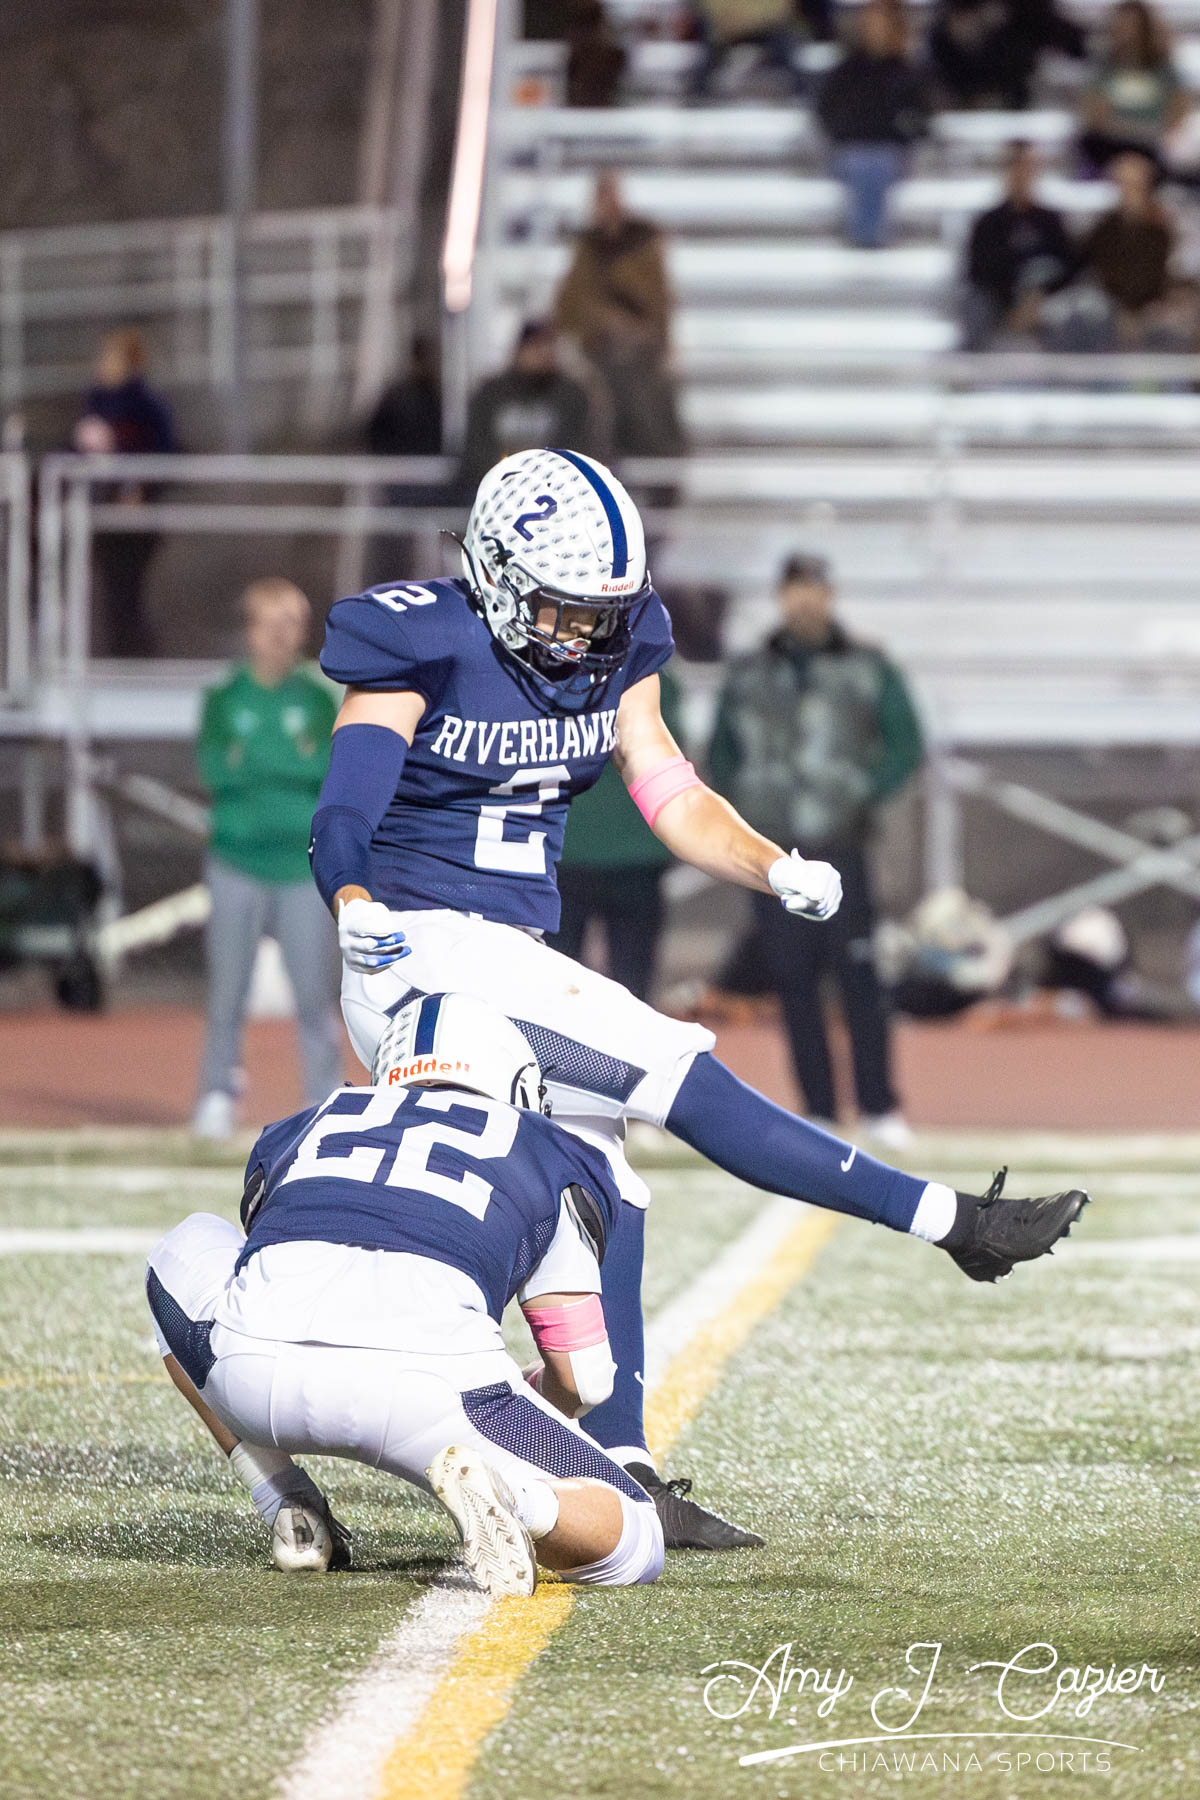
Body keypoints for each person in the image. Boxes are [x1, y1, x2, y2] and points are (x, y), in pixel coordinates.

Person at [306, 445, 1090, 1550]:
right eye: (563, 607)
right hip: (417, 951)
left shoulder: (617, 638)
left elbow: (666, 785)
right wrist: (349, 897)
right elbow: (344, 804)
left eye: (601, 611)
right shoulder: (417, 638)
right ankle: (956, 1221)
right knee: (671, 1063)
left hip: (507, 952)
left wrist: (771, 864)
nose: (584, 633)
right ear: (493, 570)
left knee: (610, 1190)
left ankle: (622, 1467)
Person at [147, 992, 665, 1592]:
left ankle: (283, 1499)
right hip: (434, 1393)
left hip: (253, 1373)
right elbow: (583, 1379)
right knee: (638, 1537)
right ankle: (516, 1497)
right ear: (518, 1082)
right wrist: (530, 1406)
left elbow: (265, 1250)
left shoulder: (314, 1120)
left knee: (181, 1248)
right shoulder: (549, 1148)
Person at [708, 553, 923, 1144]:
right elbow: (723, 752)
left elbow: (905, 743)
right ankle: (820, 1107)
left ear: (830, 595)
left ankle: (879, 1105)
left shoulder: (867, 666)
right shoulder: (750, 672)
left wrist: (860, 796)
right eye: (795, 589)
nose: (805, 601)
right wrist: (745, 808)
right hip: (776, 854)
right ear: (781, 596)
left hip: (840, 844)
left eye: (814, 589)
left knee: (860, 977)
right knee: (793, 980)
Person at [193, 579, 343, 1140]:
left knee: (314, 993)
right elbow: (216, 771)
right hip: (235, 862)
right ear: (250, 631)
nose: (281, 636)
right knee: (227, 992)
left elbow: (324, 770)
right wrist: (287, 766)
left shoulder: (318, 700)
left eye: (291, 624)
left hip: (301, 868)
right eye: (270, 624)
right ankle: (216, 1094)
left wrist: (261, 763)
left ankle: (325, 1099)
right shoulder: (224, 698)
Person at [549, 664, 684, 1002]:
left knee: (555, 986)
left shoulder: (544, 675)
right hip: (633, 851)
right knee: (633, 988)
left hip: (568, 845)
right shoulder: (650, 674)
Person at [554, 174, 685, 460]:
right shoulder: (588, 249)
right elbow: (571, 307)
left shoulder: (643, 244)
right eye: (602, 198)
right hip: (599, 351)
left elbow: (658, 300)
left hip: (642, 350)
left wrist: (635, 326)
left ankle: (657, 464)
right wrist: (604, 319)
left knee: (651, 399)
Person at [72, 328, 178, 657]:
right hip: (102, 511)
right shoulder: (96, 403)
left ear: (129, 363)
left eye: (111, 357)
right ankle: (120, 656)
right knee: (113, 595)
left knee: (129, 593)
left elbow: (163, 453)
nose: (103, 364)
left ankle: (138, 657)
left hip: (135, 518)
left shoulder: (147, 406)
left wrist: (139, 488)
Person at [815, 2, 929, 250]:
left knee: (877, 163)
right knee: (863, 163)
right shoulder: (845, 71)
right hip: (851, 148)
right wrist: (847, 132)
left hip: (893, 150)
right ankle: (867, 238)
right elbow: (826, 112)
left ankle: (869, 239)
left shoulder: (907, 72)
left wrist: (901, 132)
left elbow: (921, 119)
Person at [458, 320, 603, 495]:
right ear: (519, 350)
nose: (543, 354)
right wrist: (508, 474)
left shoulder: (572, 395)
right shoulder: (491, 393)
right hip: (497, 490)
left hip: (558, 492)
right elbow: (475, 450)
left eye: (548, 347)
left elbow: (582, 448)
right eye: (536, 347)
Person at [960, 142, 1075, 349]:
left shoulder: (1050, 221)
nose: (1021, 175)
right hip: (998, 300)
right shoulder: (987, 223)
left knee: (1071, 311)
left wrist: (1037, 300)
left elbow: (1067, 268)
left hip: (1043, 301)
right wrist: (1011, 304)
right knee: (974, 305)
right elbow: (978, 271)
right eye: (1016, 168)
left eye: (1027, 169)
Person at [1079, 0, 1189, 175]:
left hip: (1151, 144)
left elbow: (1178, 110)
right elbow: (1094, 114)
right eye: (1122, 25)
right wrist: (1127, 128)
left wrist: (1147, 130)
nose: (1127, 32)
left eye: (1132, 26)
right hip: (1111, 145)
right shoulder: (1105, 67)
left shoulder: (1163, 68)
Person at [929, 0, 1085, 111]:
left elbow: (1059, 34)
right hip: (962, 96)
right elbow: (942, 42)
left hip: (1021, 95)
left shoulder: (1029, 12)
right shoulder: (953, 17)